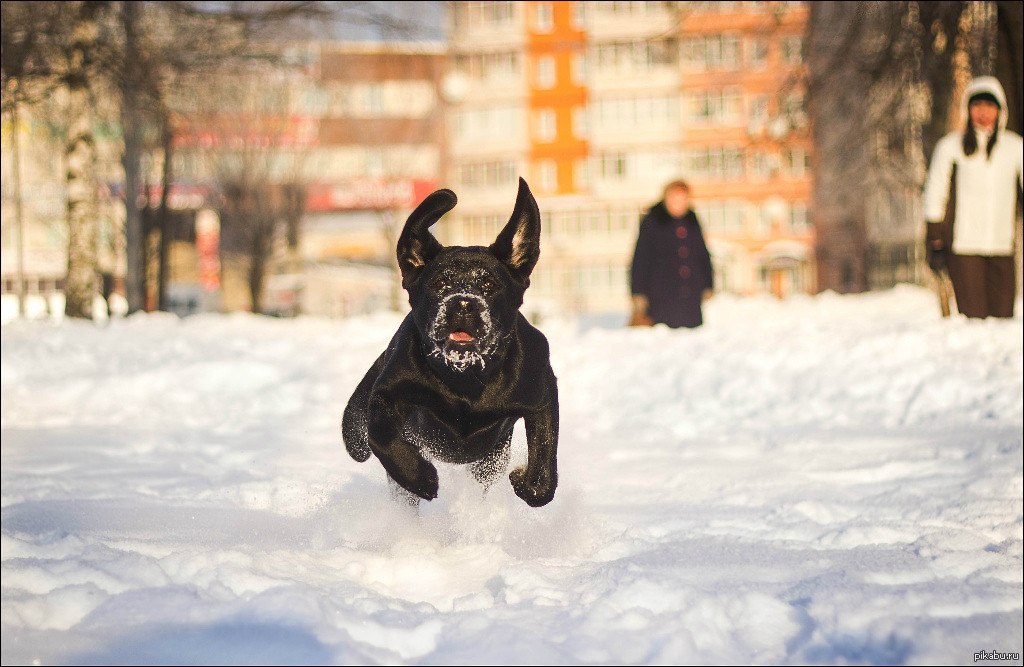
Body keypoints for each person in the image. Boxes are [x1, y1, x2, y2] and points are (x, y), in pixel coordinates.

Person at [923, 75, 1023, 319]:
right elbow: (936, 191)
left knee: (1002, 318)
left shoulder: (1014, 148)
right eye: (978, 106)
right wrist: (935, 236)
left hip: (1002, 244)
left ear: (1000, 110)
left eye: (990, 106)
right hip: (963, 246)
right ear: (967, 109)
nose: (984, 113)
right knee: (973, 320)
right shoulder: (951, 148)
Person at [629, 179, 714, 328]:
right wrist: (638, 292)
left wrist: (708, 283)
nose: (679, 203)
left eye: (683, 199)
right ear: (666, 197)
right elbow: (640, 258)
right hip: (661, 296)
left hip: (690, 297)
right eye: (675, 198)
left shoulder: (692, 220)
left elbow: (702, 254)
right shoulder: (652, 221)